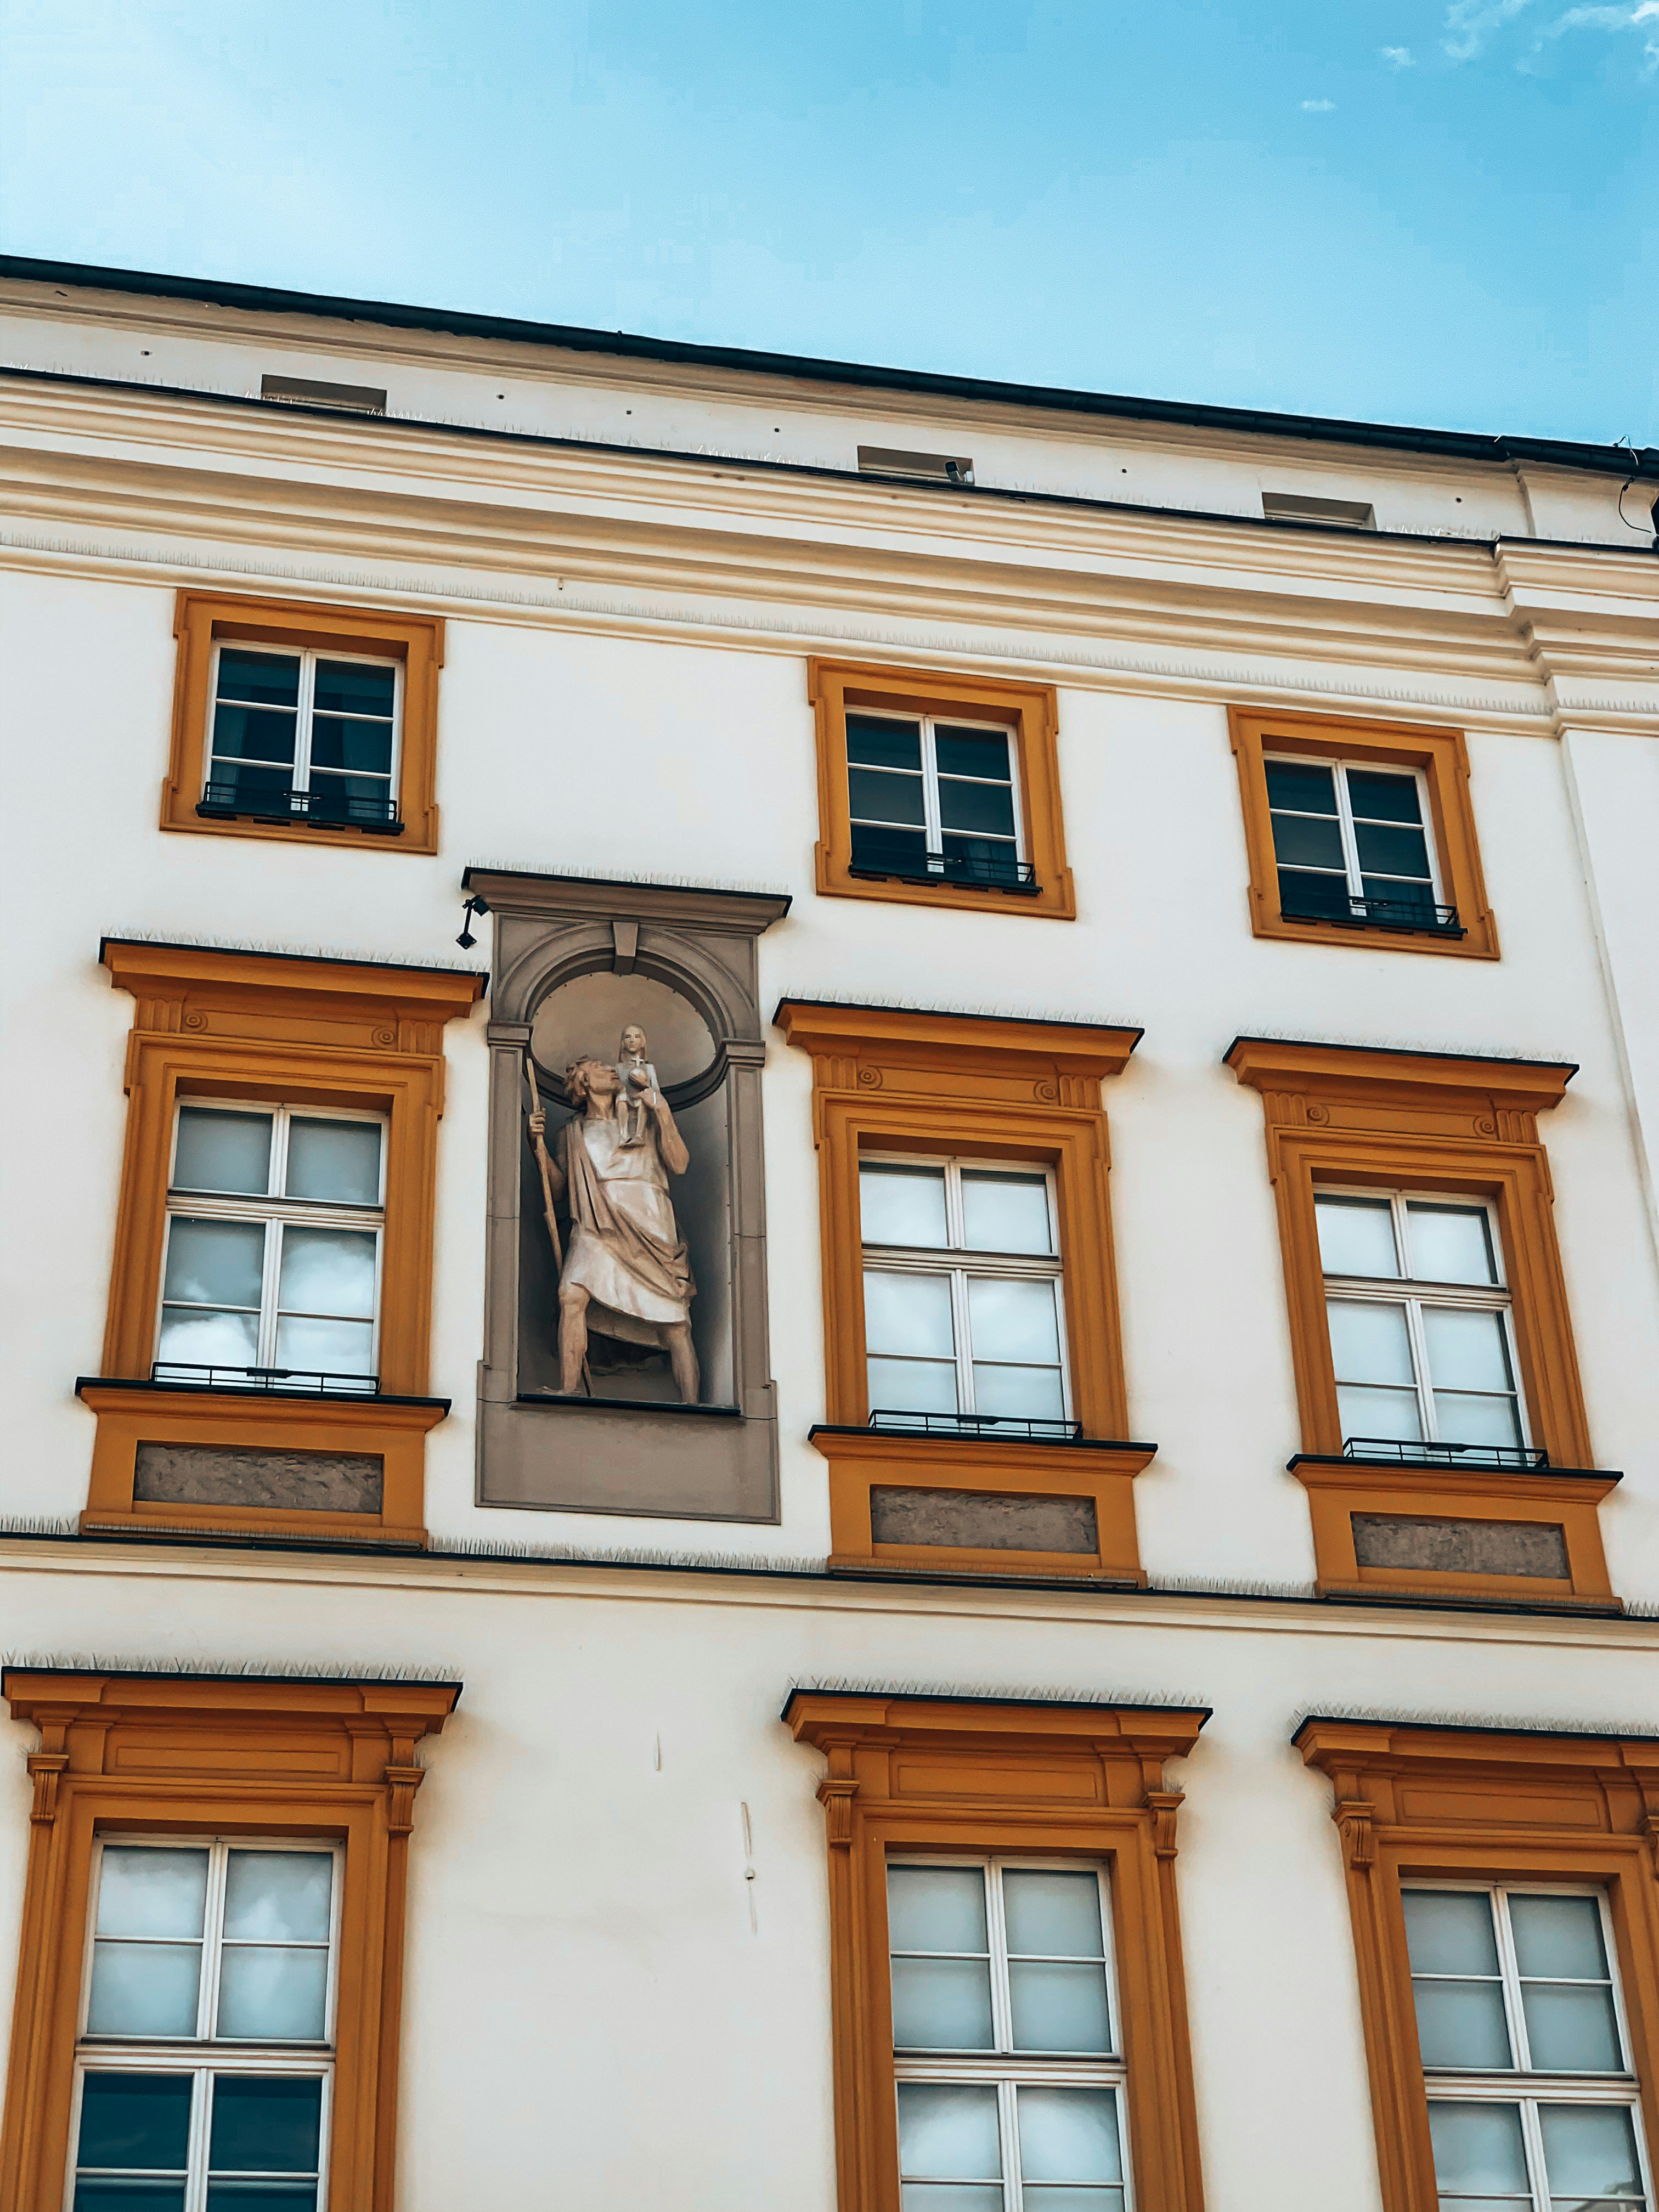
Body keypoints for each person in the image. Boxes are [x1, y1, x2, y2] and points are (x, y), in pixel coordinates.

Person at [528, 1053, 699, 1402]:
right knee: (571, 1294)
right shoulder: (572, 1133)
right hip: (594, 1220)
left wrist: (663, 1110)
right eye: (601, 1069)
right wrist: (539, 1148)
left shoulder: (644, 1121)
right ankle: (569, 1387)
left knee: (676, 1326)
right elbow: (560, 1190)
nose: (611, 1070)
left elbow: (679, 1164)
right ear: (585, 1084)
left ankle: (693, 1405)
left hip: (649, 1218)